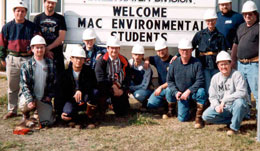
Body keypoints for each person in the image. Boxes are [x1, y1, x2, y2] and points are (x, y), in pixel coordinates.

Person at [0, 1, 39, 120]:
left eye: (23, 11)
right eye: (18, 10)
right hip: (12, 58)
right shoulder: (7, 27)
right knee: (12, 86)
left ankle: (25, 110)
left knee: (26, 86)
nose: (20, 13)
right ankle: (12, 110)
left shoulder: (32, 27)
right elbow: (2, 44)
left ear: (26, 12)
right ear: (14, 12)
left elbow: (37, 42)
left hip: (27, 59)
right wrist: (2, 58)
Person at [202, 51, 250, 136]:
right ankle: (235, 119)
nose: (224, 67)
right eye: (221, 64)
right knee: (206, 116)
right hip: (224, 108)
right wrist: (216, 105)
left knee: (239, 102)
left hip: (237, 106)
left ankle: (233, 128)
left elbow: (242, 92)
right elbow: (212, 96)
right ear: (218, 66)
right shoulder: (215, 78)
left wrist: (225, 99)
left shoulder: (237, 75)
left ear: (230, 64)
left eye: (226, 64)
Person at [34, 0, 67, 116]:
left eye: (53, 3)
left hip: (56, 55)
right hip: (42, 56)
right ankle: (42, 109)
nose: (50, 5)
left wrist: (48, 49)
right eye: (48, 2)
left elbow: (61, 36)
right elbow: (37, 36)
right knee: (42, 82)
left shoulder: (60, 18)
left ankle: (58, 110)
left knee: (58, 82)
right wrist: (45, 50)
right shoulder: (38, 18)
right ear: (44, 2)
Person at [167, 39, 206, 128]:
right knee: (182, 118)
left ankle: (198, 117)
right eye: (183, 50)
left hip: (192, 93)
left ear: (191, 50)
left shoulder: (197, 63)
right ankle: (178, 111)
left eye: (187, 49)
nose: (185, 52)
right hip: (181, 94)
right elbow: (169, 81)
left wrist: (188, 91)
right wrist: (176, 92)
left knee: (201, 92)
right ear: (179, 51)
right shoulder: (173, 63)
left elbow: (200, 80)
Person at [19, 35, 56, 127]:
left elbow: (54, 82)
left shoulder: (50, 64)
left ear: (45, 48)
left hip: (43, 97)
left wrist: (49, 96)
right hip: (31, 96)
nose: (39, 50)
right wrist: (30, 99)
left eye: (41, 47)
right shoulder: (26, 65)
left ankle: (38, 112)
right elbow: (24, 85)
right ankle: (26, 115)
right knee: (23, 103)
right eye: (37, 48)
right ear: (32, 49)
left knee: (48, 122)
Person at [58, 45, 97, 127]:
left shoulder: (89, 72)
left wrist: (80, 90)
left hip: (85, 97)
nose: (78, 61)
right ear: (71, 59)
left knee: (95, 92)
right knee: (67, 114)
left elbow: (93, 86)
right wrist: (60, 111)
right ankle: (75, 118)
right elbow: (60, 94)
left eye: (81, 58)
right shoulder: (64, 74)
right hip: (70, 99)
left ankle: (89, 117)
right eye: (76, 58)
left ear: (84, 60)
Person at [231, 1, 258, 111]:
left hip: (255, 65)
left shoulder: (259, 27)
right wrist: (233, 60)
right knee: (243, 92)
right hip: (240, 65)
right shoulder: (241, 27)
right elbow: (235, 44)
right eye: (245, 14)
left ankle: (259, 118)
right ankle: (245, 115)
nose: (247, 16)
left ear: (255, 14)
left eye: (250, 14)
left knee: (257, 93)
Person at [192, 9, 226, 95]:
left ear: (216, 20)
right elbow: (190, 47)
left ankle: (215, 104)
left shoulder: (220, 36)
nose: (210, 22)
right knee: (206, 86)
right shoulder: (199, 35)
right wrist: (177, 56)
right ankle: (206, 104)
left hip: (215, 65)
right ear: (205, 21)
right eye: (208, 20)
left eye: (212, 20)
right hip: (203, 65)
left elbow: (223, 52)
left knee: (216, 86)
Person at [95, 36, 130, 116]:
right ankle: (106, 103)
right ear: (107, 48)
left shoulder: (124, 61)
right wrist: (112, 86)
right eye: (112, 48)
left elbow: (128, 78)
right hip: (106, 89)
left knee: (123, 112)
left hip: (119, 89)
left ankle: (115, 104)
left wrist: (122, 90)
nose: (114, 50)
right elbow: (100, 79)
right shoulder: (101, 61)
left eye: (116, 48)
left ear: (119, 49)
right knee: (101, 111)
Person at [145, 38, 174, 116]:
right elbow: (147, 57)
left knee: (168, 90)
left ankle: (171, 110)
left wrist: (160, 87)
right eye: (158, 50)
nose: (160, 52)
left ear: (167, 49)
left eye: (162, 50)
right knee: (150, 105)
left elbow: (173, 81)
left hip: (172, 88)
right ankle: (164, 104)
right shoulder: (156, 59)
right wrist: (147, 61)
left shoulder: (173, 61)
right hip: (161, 88)